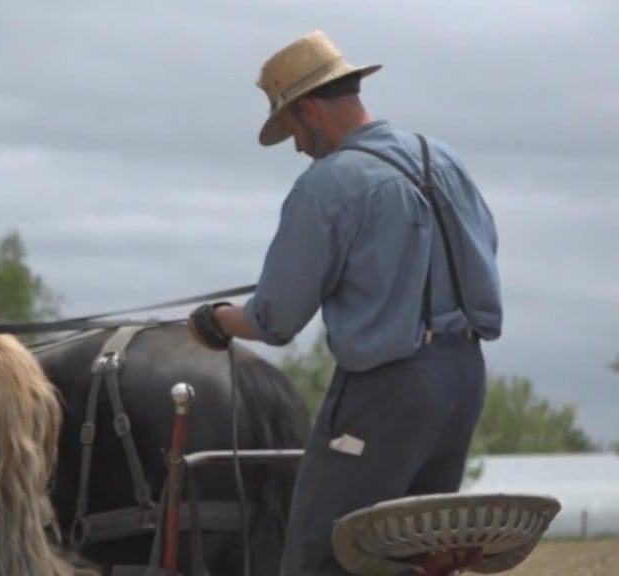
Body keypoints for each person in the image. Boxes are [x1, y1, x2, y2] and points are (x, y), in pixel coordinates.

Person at [187, 30, 502, 575]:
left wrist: (216, 322)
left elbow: (276, 318)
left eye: (291, 129)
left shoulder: (327, 185)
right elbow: (484, 247)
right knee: (420, 555)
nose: (296, 146)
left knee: (325, 552)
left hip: (386, 390)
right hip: (463, 379)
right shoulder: (442, 158)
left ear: (309, 110)